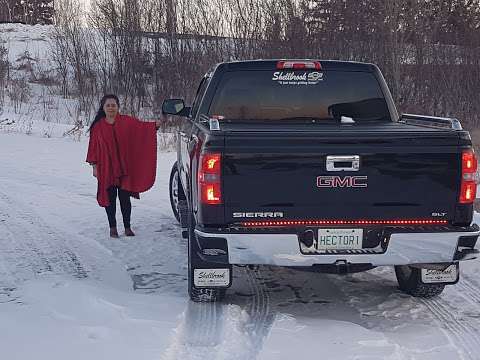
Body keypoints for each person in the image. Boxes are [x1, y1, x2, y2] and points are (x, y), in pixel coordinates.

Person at [86, 94, 161, 238]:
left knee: (124, 198)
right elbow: (93, 147)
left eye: (113, 105)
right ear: (103, 107)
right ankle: (112, 228)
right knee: (110, 198)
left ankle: (127, 227)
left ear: (118, 107)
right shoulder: (98, 127)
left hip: (125, 168)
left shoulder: (126, 121)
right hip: (106, 168)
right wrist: (94, 166)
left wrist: (154, 125)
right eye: (108, 105)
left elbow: (141, 129)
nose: (111, 108)